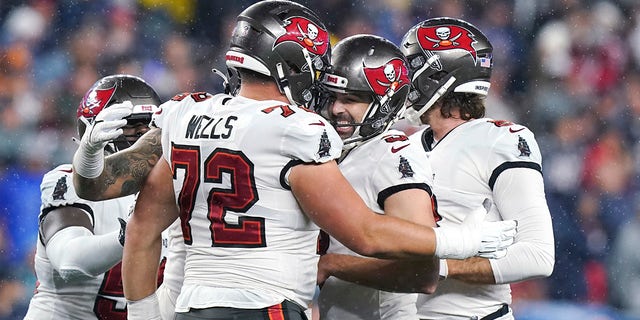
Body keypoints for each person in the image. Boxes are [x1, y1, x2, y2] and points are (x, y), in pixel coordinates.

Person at [73, 2, 515, 319]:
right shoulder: (297, 128)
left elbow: (118, 205)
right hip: (267, 304)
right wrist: (460, 240)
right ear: (295, 61)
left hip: (195, 305)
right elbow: (364, 234)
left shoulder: (185, 114)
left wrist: (89, 155)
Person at [400, 17, 555, 319]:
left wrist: (439, 267)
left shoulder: (500, 140)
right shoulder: (406, 145)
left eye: (412, 67)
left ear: (438, 74)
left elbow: (538, 255)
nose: (405, 80)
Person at [314, 34, 440, 320]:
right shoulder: (342, 150)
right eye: (332, 97)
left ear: (386, 102)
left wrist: (332, 265)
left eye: (351, 99)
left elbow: (422, 273)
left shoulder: (392, 155)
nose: (335, 109)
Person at [24, 74, 164, 320]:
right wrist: (130, 235)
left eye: (150, 125)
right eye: (131, 125)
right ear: (93, 130)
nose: (144, 136)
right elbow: (70, 261)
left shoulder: (169, 189)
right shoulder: (65, 180)